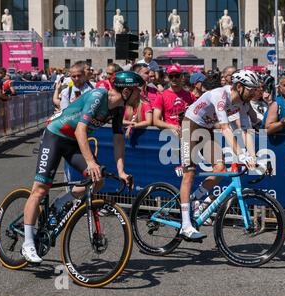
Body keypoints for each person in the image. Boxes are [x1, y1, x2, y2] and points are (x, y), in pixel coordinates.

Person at [20, 71, 143, 263]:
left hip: (73, 142)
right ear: (127, 91)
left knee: (98, 181)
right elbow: (80, 129)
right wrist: (91, 162)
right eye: (138, 91)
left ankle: (61, 202)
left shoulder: (118, 108)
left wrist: (121, 170)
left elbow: (118, 139)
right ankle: (27, 243)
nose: (141, 96)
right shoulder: (99, 95)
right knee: (40, 189)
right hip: (56, 135)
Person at [178, 70, 260, 240]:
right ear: (239, 86)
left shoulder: (243, 103)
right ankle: (185, 226)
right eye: (251, 89)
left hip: (205, 128)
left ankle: (194, 199)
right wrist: (241, 155)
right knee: (189, 173)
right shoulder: (220, 95)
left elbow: (245, 131)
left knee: (220, 168)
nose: (254, 93)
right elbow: (225, 128)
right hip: (190, 125)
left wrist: (253, 157)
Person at [153, 64, 196, 137]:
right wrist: (171, 127)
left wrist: (186, 117)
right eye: (171, 76)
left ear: (181, 76)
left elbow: (197, 115)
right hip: (170, 136)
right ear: (167, 77)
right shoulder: (161, 96)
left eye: (176, 76)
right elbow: (156, 120)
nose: (174, 78)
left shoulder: (190, 95)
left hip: (188, 135)